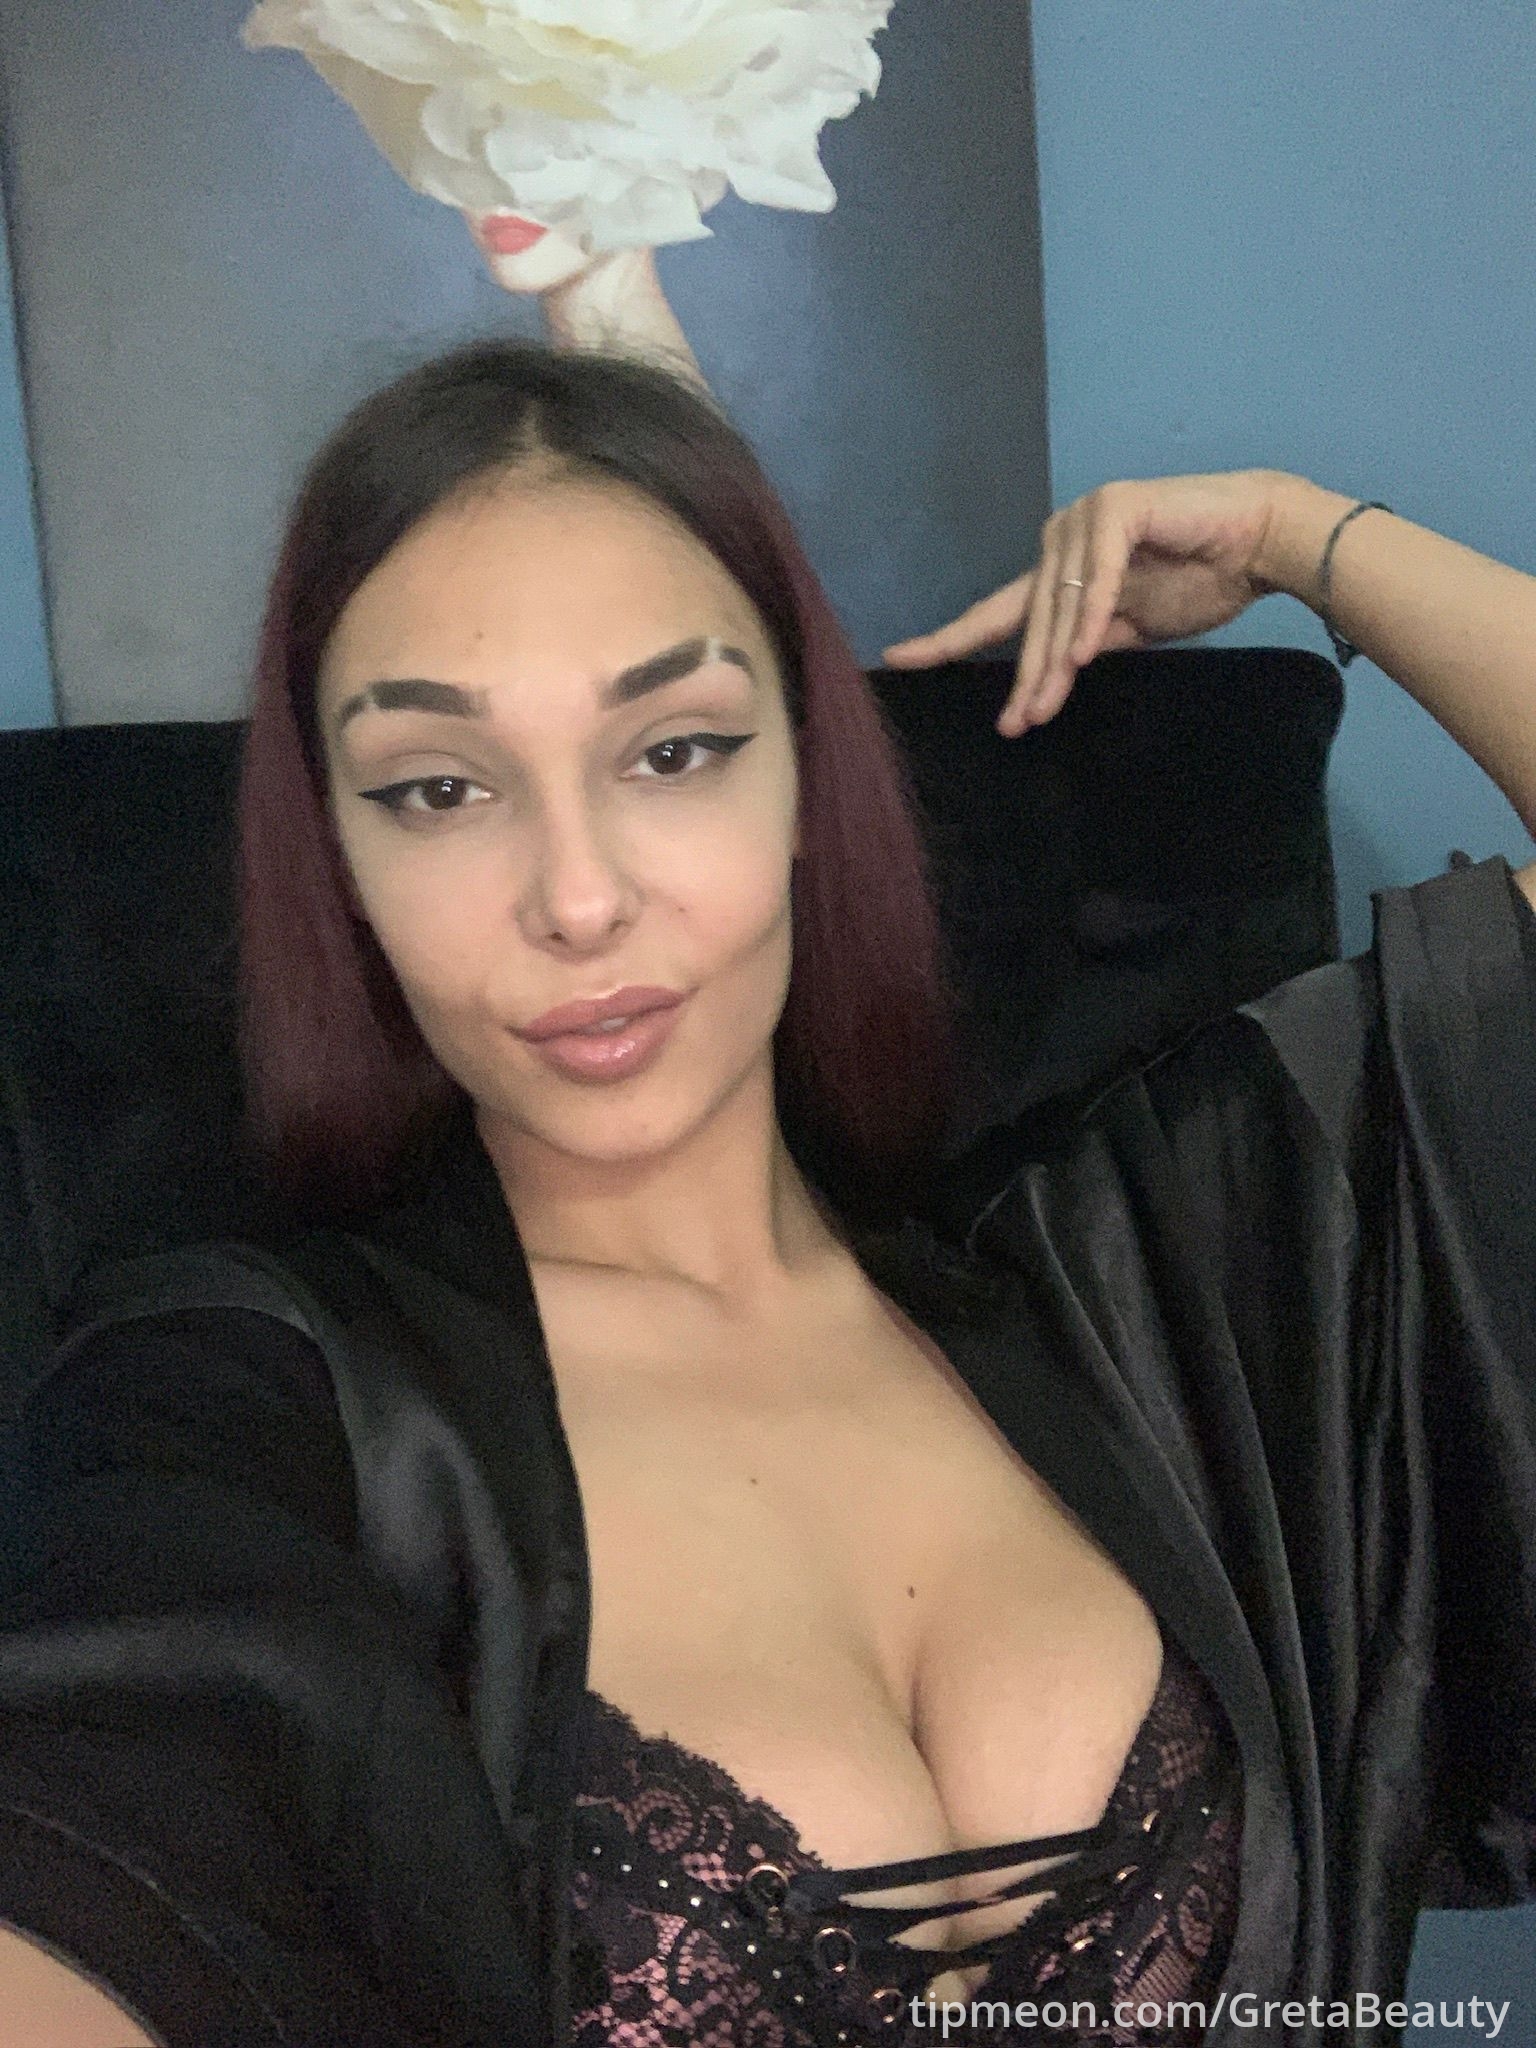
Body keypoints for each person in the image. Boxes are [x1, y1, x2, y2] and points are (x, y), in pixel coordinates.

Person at [0, 334, 1532, 2048]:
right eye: (438, 789)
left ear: (807, 772)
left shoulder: (1156, 1283)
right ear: (343, 864)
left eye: (674, 750)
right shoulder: (240, 1399)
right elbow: (101, 1802)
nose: (580, 898)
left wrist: (1304, 539)